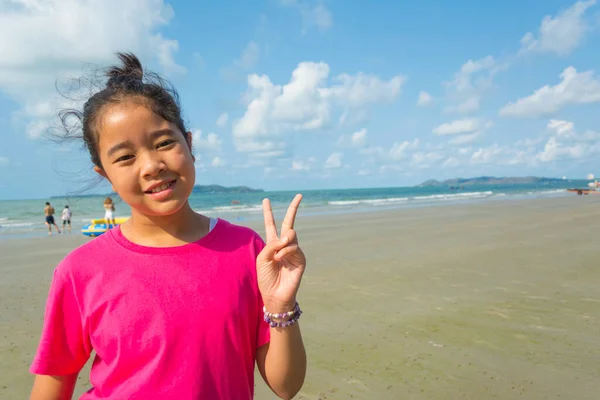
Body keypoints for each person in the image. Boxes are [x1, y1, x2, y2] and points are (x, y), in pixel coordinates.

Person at [29, 53, 307, 400]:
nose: (151, 165)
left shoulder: (247, 251)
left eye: (164, 143)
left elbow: (286, 385)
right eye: (125, 157)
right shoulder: (79, 272)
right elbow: (54, 381)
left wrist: (281, 305)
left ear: (189, 145)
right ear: (105, 175)